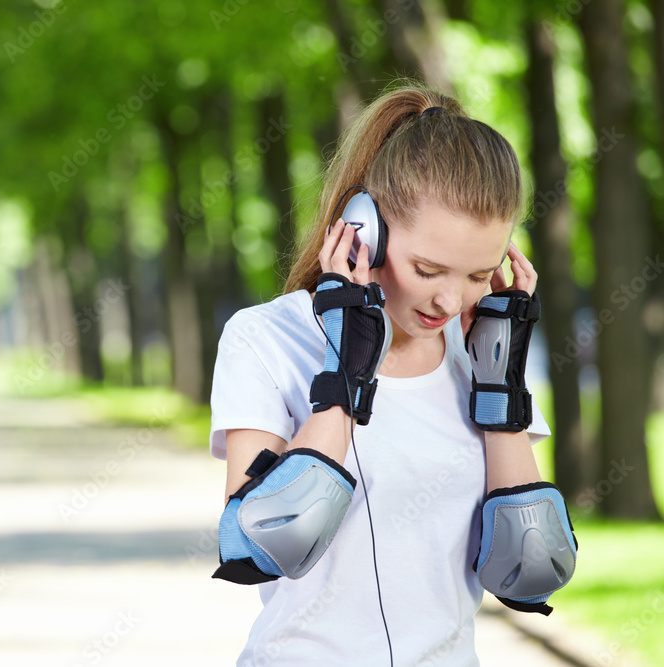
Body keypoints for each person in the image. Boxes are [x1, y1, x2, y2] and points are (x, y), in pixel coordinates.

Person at [208, 82, 578, 666]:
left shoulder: (482, 352)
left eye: (479, 275)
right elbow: (263, 543)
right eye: (428, 269)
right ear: (365, 231)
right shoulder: (266, 338)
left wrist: (499, 390)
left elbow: (528, 568)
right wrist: (347, 375)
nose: (450, 300)